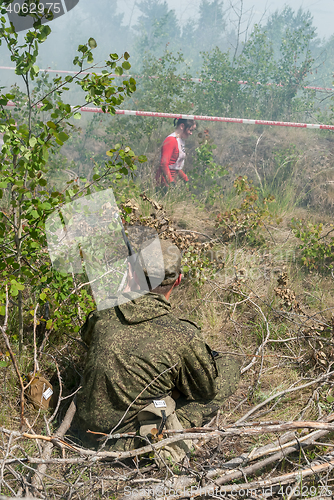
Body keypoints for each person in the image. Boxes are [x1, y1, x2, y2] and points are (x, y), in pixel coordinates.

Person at [75, 239, 241, 459]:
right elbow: (206, 390)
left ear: (133, 275)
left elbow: (87, 336)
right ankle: (160, 431)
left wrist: (120, 297)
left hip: (82, 432)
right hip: (129, 444)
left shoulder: (104, 312)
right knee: (228, 367)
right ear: (178, 280)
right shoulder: (181, 334)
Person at [156, 118, 196, 188]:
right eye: (190, 130)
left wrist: (186, 180)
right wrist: (170, 182)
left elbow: (176, 166)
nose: (191, 133)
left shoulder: (179, 140)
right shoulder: (171, 140)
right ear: (182, 126)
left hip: (171, 182)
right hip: (163, 183)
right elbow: (163, 164)